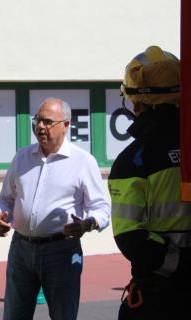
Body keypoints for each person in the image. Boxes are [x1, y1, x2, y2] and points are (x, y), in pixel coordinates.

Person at [0, 97, 111, 320]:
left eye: (47, 122)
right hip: (21, 249)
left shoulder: (83, 161)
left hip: (62, 251)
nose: (39, 127)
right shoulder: (22, 157)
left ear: (66, 125)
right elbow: (5, 199)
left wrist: (88, 224)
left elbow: (101, 207)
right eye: (37, 120)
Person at [109, 46, 191, 319]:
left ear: (139, 104)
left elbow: (130, 238)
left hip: (161, 297)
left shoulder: (133, 161)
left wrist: (179, 263)